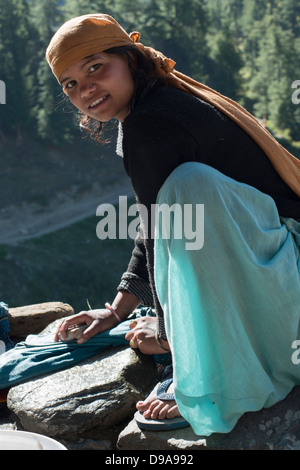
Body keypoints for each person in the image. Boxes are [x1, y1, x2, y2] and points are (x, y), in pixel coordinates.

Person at [46, 13, 300, 435]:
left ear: (130, 59)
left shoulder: (151, 121)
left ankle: (215, 383)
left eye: (95, 67)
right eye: (70, 84)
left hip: (286, 282)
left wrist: (173, 342)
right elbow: (157, 228)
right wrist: (117, 311)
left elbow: (167, 231)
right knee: (187, 195)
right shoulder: (158, 103)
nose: (85, 89)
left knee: (190, 188)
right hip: (282, 267)